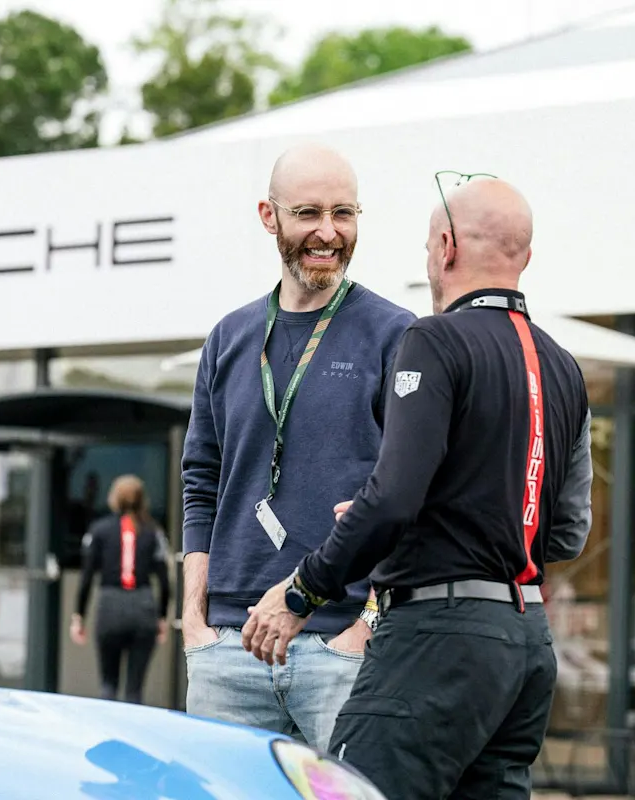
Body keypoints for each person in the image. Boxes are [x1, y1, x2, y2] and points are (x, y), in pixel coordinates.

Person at [242, 174, 594, 799]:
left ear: (447, 247)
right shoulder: (563, 365)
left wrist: (300, 593)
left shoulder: (432, 340)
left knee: (352, 792)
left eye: (429, 245)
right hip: (526, 644)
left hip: (437, 637)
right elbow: (565, 530)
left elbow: (394, 497)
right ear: (526, 257)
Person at [180, 142, 417, 751]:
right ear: (269, 215)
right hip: (227, 650)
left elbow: (412, 492)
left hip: (341, 648)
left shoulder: (397, 334)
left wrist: (364, 628)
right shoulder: (229, 338)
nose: (328, 232)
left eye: (345, 213)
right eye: (309, 213)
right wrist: (193, 621)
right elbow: (200, 482)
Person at [71, 475, 172, 704]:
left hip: (109, 607)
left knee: (108, 685)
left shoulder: (98, 530)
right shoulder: (154, 532)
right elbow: (165, 581)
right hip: (143, 608)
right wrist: (163, 616)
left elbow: (86, 577)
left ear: (113, 498)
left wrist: (79, 616)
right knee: (135, 690)